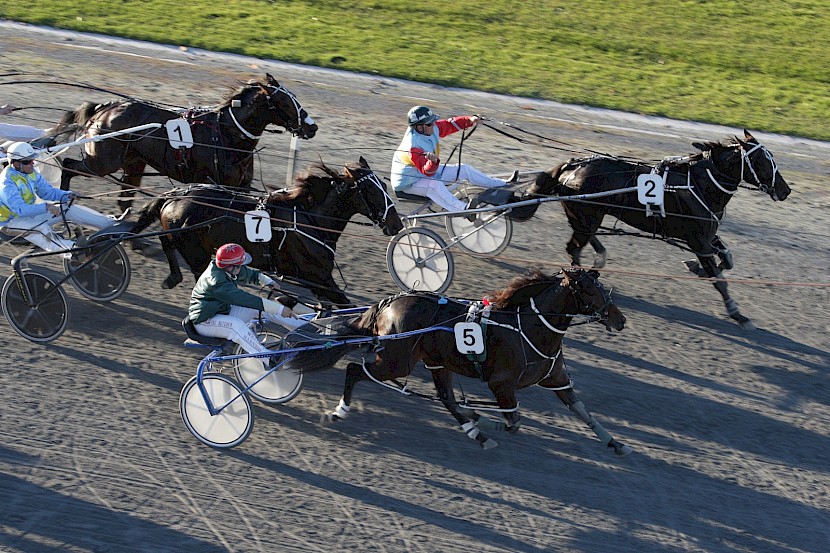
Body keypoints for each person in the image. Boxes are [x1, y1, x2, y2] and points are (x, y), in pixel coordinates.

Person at [188, 243, 305, 365]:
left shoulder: (227, 268)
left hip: (222, 311)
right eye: (240, 265)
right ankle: (267, 359)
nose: (241, 267)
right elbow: (248, 300)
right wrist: (281, 309)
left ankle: (303, 328)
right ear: (231, 267)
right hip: (205, 322)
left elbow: (249, 274)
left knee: (263, 309)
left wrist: (268, 281)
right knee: (236, 325)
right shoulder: (218, 283)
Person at [390, 105, 519, 215]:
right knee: (434, 185)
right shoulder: (413, 145)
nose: (434, 125)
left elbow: (448, 125)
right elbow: (427, 172)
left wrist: (469, 120)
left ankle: (502, 185)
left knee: (464, 169)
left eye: (433, 121)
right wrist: (433, 162)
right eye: (430, 123)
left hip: (424, 170)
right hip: (408, 183)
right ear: (419, 127)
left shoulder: (430, 128)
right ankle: (464, 210)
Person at [0, 141, 116, 256]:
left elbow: (47, 192)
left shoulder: (30, 172)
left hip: (30, 216)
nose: (32, 163)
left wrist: (67, 195)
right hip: (10, 223)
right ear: (16, 164)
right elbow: (20, 210)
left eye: (32, 159)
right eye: (28, 161)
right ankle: (72, 251)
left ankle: (112, 225)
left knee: (66, 208)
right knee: (41, 228)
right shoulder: (7, 183)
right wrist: (47, 207)